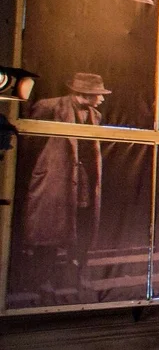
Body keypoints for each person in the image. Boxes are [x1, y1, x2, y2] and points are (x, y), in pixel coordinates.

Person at [22, 73, 109, 298]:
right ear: (84, 94)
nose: (101, 98)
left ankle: (79, 276)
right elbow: (30, 141)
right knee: (49, 231)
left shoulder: (95, 115)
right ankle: (43, 280)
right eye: (98, 94)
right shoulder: (49, 107)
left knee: (83, 227)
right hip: (55, 180)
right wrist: (47, 168)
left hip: (84, 182)